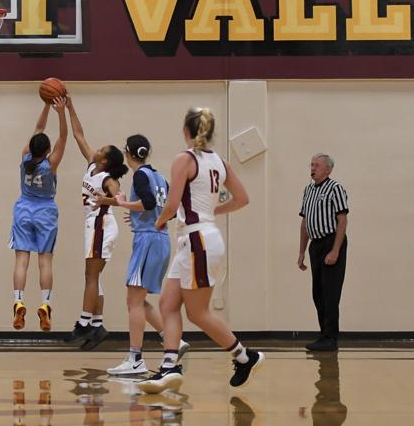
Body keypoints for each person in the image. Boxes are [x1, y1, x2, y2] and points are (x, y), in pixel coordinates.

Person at [139, 108, 264, 393]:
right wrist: (211, 212)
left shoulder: (184, 159)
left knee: (198, 313)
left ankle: (245, 357)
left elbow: (172, 205)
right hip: (199, 238)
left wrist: (158, 222)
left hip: (198, 241)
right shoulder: (220, 162)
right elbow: (242, 198)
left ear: (186, 131)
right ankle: (170, 366)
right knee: (168, 304)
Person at [102, 135, 187, 375]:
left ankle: (135, 359)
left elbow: (148, 203)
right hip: (161, 239)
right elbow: (171, 210)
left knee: (133, 301)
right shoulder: (159, 177)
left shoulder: (140, 175)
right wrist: (143, 218)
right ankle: (173, 340)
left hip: (148, 241)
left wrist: (124, 204)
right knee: (138, 300)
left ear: (127, 153)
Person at [64, 97, 128, 350]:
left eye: (102, 149)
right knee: (93, 276)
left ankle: (83, 323)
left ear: (106, 160)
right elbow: (78, 135)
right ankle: (97, 326)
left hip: (102, 225)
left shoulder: (107, 179)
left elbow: (122, 199)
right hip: (93, 225)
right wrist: (69, 108)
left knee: (90, 276)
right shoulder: (92, 164)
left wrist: (106, 200)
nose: (97, 149)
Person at [10, 98, 68, 331]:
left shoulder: (25, 156)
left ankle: (18, 301)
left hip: (23, 209)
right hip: (45, 212)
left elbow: (38, 128)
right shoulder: (51, 163)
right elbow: (63, 136)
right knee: (44, 261)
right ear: (46, 150)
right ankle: (45, 305)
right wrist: (60, 111)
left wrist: (45, 105)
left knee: (21, 260)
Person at [297, 153, 350, 352]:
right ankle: (323, 335)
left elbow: (342, 221)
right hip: (316, 244)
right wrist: (302, 251)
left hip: (331, 241)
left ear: (328, 169)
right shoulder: (308, 190)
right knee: (317, 293)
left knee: (330, 293)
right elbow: (305, 222)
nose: (312, 168)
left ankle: (331, 338)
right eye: (311, 165)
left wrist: (335, 250)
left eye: (317, 165)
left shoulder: (335, 188)